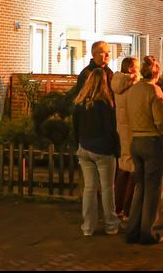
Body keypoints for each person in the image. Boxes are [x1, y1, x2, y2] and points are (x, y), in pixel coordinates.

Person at [123, 55, 163, 245]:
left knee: (139, 186)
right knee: (153, 189)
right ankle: (146, 232)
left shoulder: (133, 91)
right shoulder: (154, 91)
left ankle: (132, 229)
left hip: (136, 141)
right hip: (152, 141)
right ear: (156, 73)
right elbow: (160, 121)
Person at [71, 68, 120, 237]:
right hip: (103, 150)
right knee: (107, 188)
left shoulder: (80, 102)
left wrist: (78, 145)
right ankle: (111, 225)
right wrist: (115, 149)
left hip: (84, 148)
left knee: (89, 188)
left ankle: (88, 227)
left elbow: (75, 128)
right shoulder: (106, 104)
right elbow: (111, 130)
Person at [111, 56, 139, 218]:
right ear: (130, 69)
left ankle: (117, 206)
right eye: (136, 66)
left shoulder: (117, 84)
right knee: (133, 169)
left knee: (123, 168)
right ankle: (128, 209)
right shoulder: (132, 85)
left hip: (121, 129)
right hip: (132, 130)